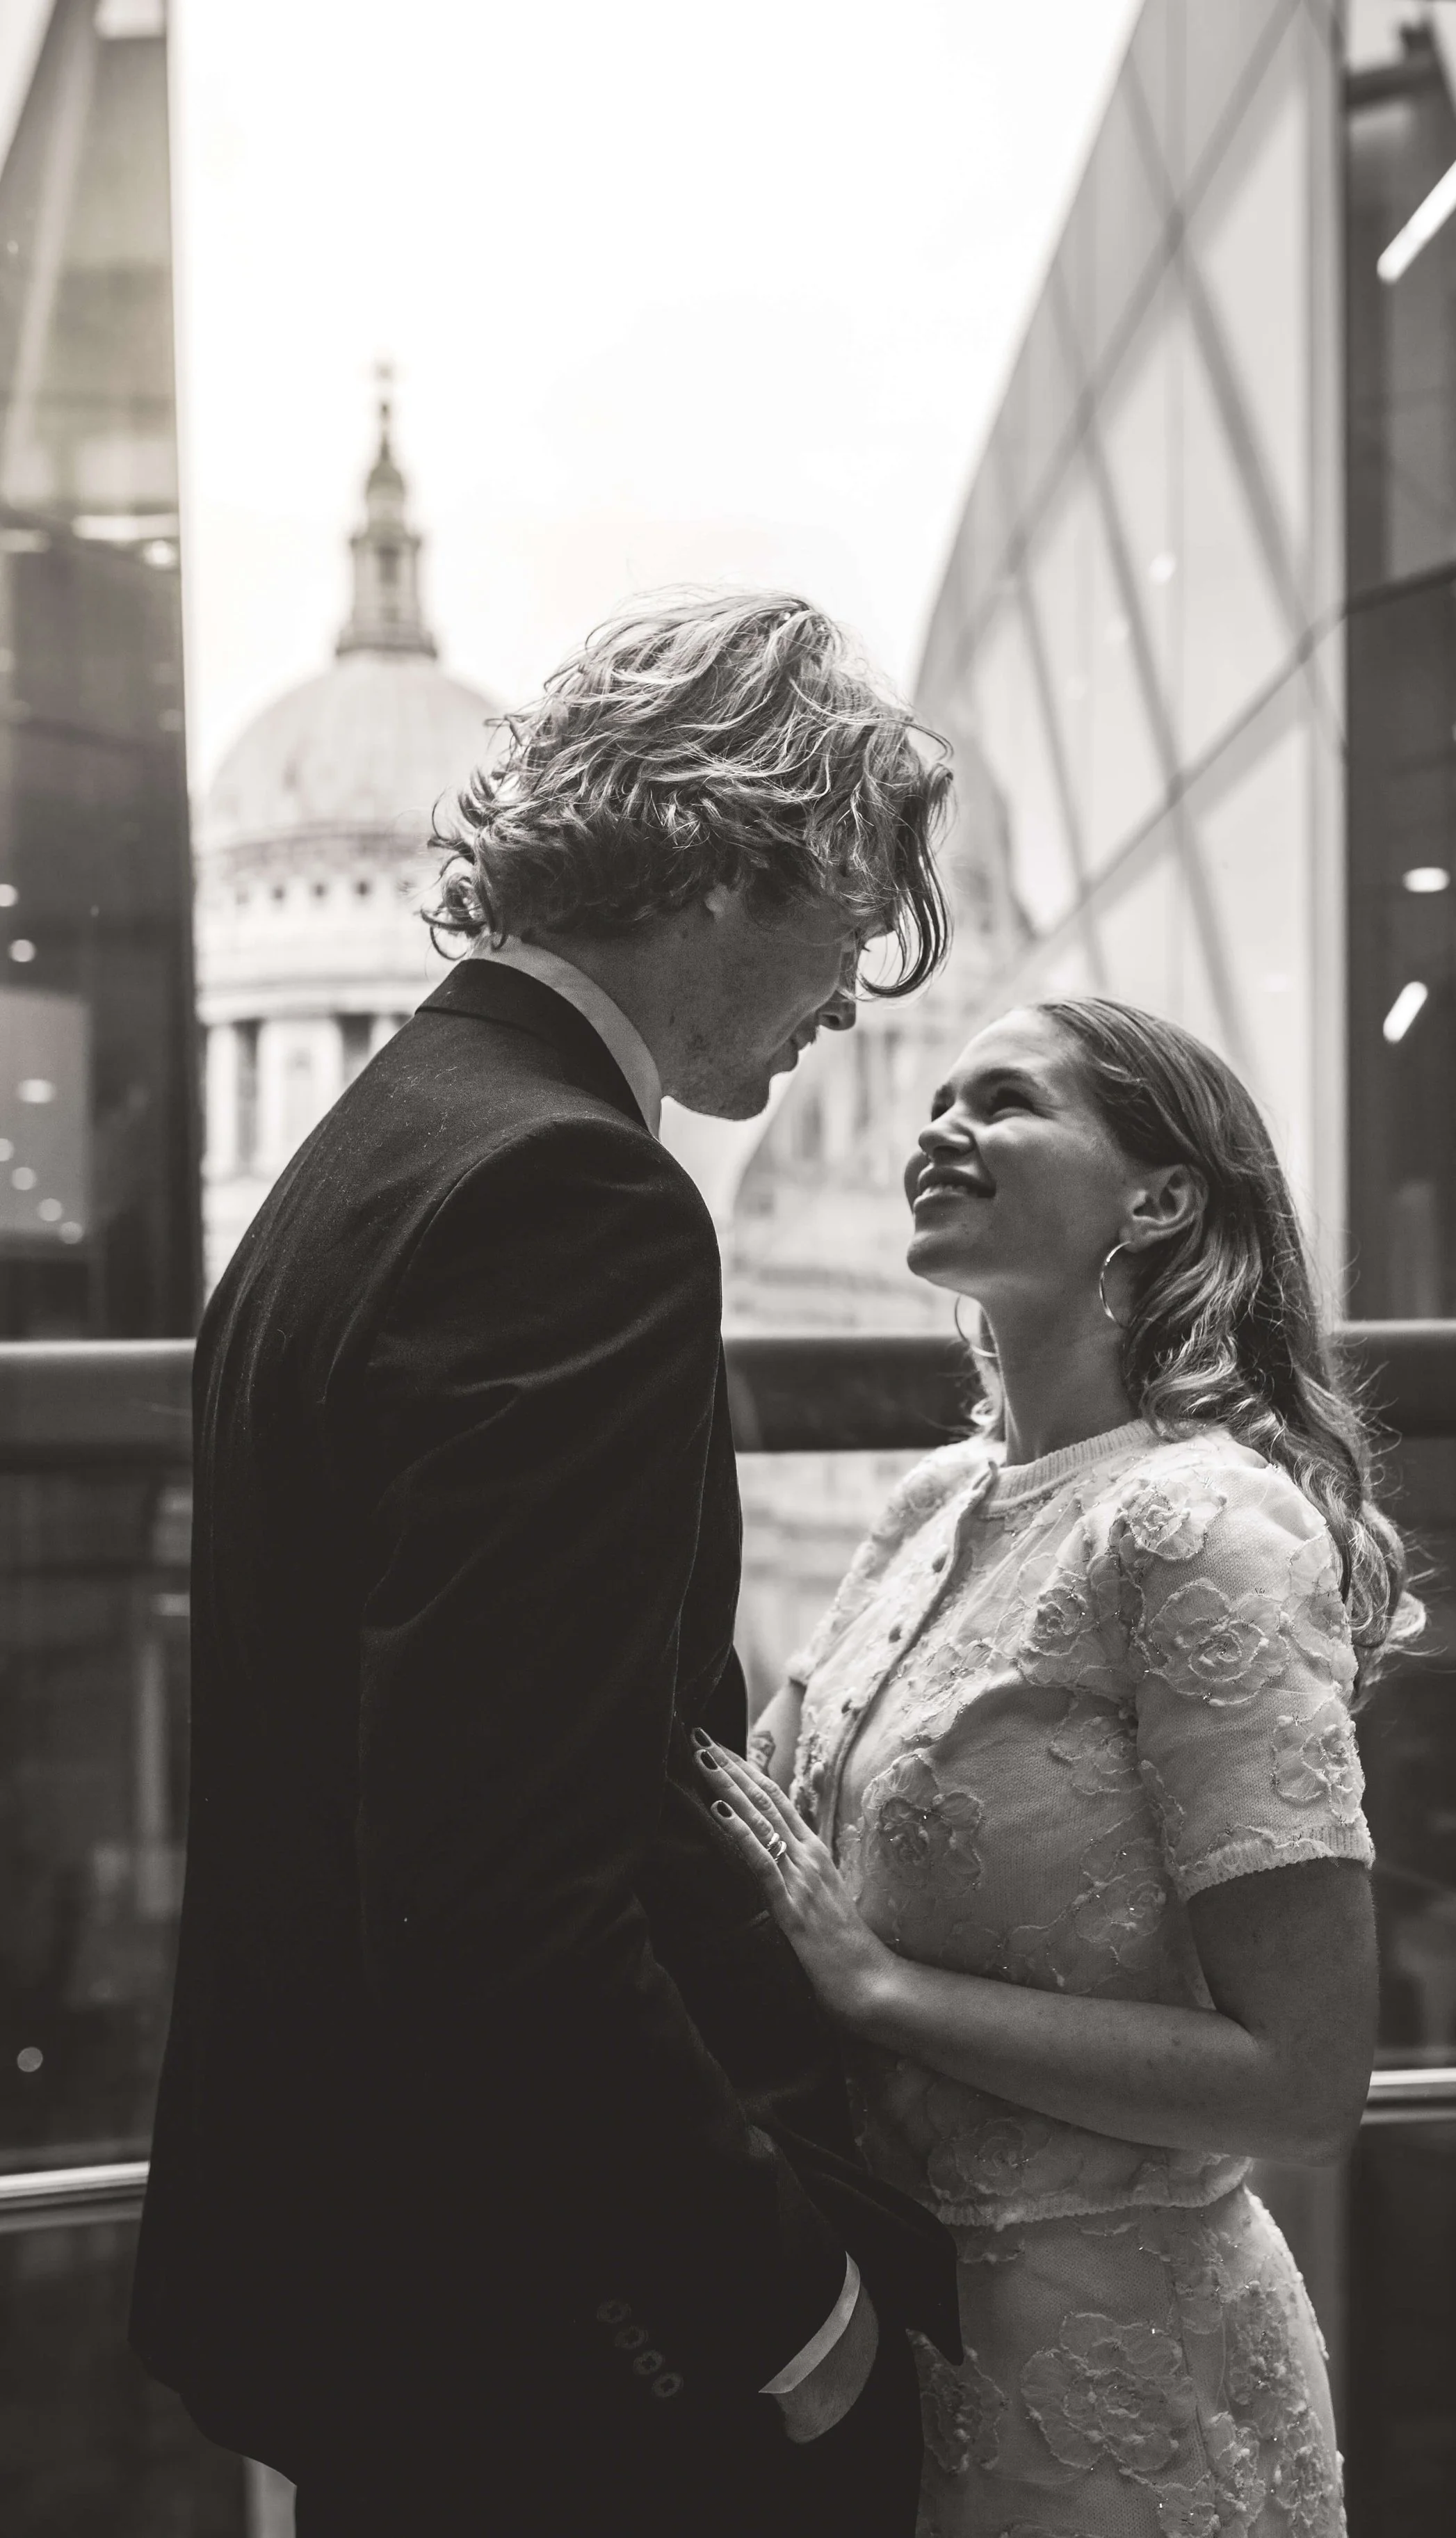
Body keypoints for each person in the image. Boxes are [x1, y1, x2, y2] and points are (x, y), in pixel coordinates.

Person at [130, 592, 964, 2537]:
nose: (852, 995)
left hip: (363, 2279)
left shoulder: (365, 1157)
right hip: (549, 2325)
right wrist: (793, 2310)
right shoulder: (572, 1199)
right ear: (727, 865)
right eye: (850, 919)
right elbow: (503, 1895)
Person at [703, 995, 1418, 2538]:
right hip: (893, 2347)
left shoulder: (1197, 1524)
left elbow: (1303, 2082)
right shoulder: (927, 1505)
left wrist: (882, 1994)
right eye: (938, 1096)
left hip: (1124, 2387)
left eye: (1004, 1101)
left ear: (1157, 1198)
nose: (937, 1127)